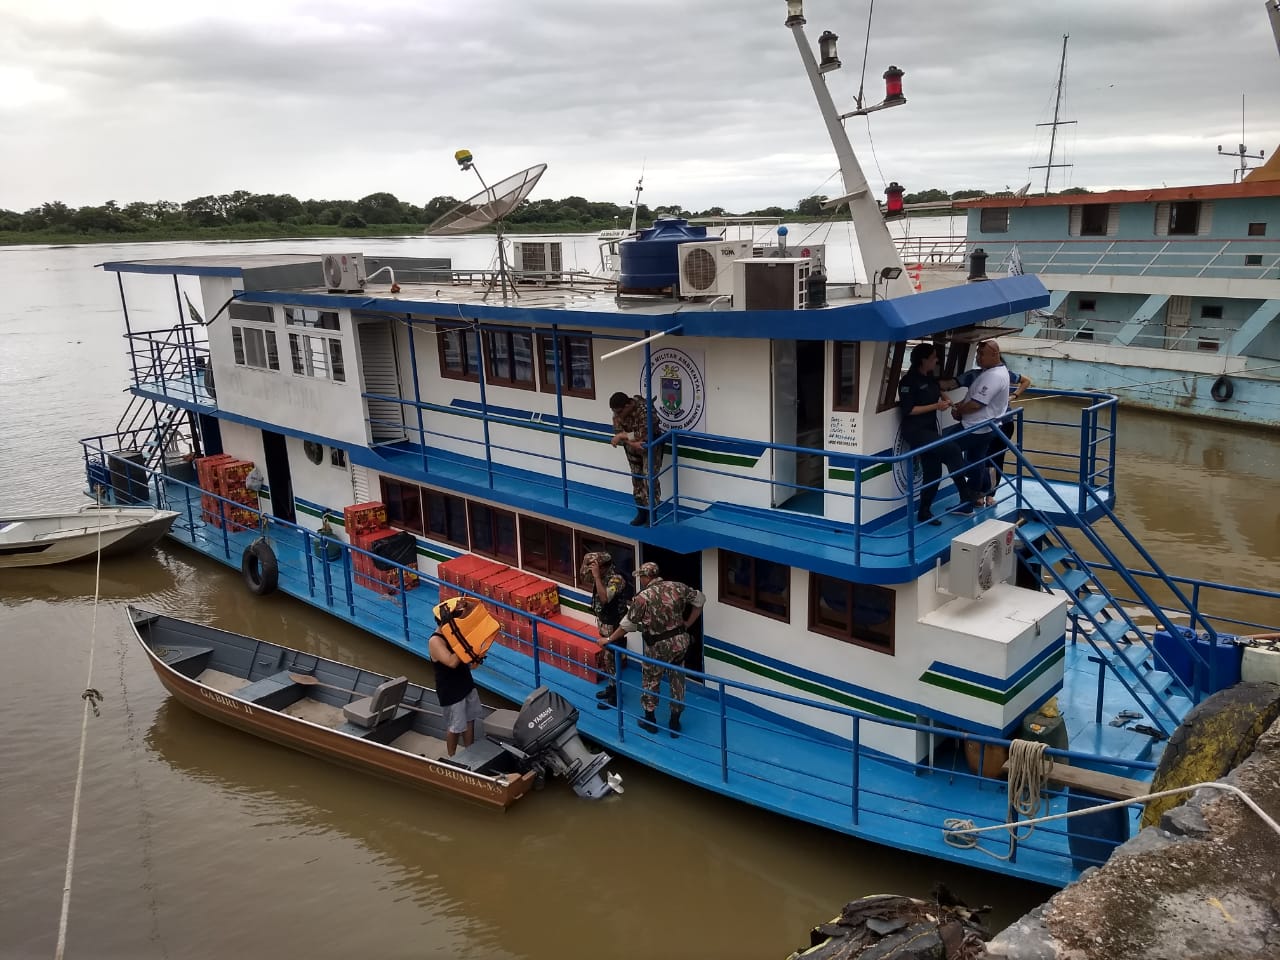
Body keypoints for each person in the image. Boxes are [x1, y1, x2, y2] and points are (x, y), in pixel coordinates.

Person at [599, 561, 704, 737]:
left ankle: (650, 721)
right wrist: (688, 623)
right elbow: (700, 600)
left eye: (641, 577)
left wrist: (608, 639)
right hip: (679, 644)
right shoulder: (677, 587)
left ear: (647, 577)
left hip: (657, 647)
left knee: (651, 681)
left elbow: (627, 625)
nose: (640, 580)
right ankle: (675, 723)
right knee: (677, 680)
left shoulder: (643, 597)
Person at [897, 343, 977, 524]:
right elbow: (909, 410)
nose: (937, 360)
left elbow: (939, 392)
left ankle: (924, 512)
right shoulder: (908, 382)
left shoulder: (930, 378)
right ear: (923, 360)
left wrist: (950, 403)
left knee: (933, 471)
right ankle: (966, 493)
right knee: (952, 449)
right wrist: (936, 406)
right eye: (933, 357)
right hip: (915, 431)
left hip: (930, 429)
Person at [950, 340, 1010, 506]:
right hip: (986, 426)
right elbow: (973, 397)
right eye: (977, 354)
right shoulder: (992, 372)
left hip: (976, 427)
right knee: (977, 458)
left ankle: (981, 483)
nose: (978, 358)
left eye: (981, 354)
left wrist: (960, 411)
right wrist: (961, 405)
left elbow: (977, 404)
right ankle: (971, 500)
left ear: (995, 354)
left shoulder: (994, 376)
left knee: (944, 450)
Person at [428, 599, 486, 756]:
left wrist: (465, 604)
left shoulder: (454, 633)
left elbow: (473, 610)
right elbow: (452, 662)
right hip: (450, 690)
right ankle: (452, 757)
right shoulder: (435, 641)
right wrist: (465, 643)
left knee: (470, 719)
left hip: (465, 682)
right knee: (455, 726)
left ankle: (469, 752)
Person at [580, 550, 633, 709]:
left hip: (614, 626)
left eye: (595, 567)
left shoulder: (617, 579)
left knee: (613, 659)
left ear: (603, 567)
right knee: (607, 659)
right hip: (604, 624)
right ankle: (611, 687)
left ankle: (615, 698)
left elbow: (604, 599)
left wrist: (597, 577)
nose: (592, 571)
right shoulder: (602, 575)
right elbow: (583, 576)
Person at [609, 391, 666, 526]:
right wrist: (631, 442)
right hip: (633, 449)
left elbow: (644, 434)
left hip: (651, 447)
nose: (617, 415)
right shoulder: (617, 413)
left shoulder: (644, 410)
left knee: (649, 478)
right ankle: (641, 512)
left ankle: (652, 514)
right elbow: (618, 431)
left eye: (619, 412)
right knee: (637, 479)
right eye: (615, 412)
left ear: (628, 405)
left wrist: (622, 436)